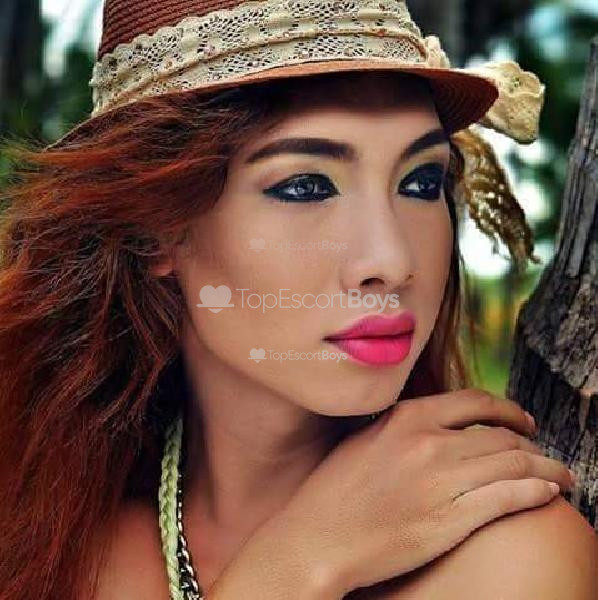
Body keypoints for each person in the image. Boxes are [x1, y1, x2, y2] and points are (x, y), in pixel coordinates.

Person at [0, 1, 596, 599]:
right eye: (306, 186)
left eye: (420, 182)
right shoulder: (53, 544)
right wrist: (299, 562)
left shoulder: (512, 564)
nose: (391, 263)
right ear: (156, 230)